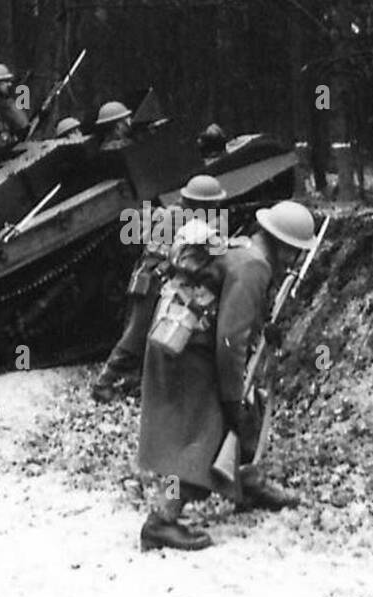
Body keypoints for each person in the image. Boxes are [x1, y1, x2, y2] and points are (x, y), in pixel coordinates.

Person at [135, 200, 310, 551]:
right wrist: (232, 398)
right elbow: (231, 341)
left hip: (182, 335)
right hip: (188, 350)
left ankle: (247, 481)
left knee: (231, 418)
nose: (294, 260)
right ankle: (161, 520)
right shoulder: (255, 266)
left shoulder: (247, 248)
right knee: (192, 439)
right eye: (295, 251)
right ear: (284, 245)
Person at [92, 173, 228, 403]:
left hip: (151, 276)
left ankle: (136, 380)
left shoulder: (174, 212)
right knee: (136, 333)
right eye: (213, 204)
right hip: (154, 279)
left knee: (146, 331)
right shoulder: (183, 219)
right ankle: (103, 383)